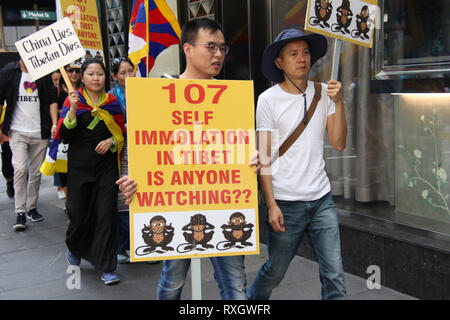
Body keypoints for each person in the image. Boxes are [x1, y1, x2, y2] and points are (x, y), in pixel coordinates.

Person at [117, 18, 259, 300]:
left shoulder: (231, 99)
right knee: (172, 284)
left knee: (236, 288)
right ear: (188, 49)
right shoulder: (158, 94)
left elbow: (239, 146)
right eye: (210, 47)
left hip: (225, 205)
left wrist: (252, 158)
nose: (218, 54)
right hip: (173, 206)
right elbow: (147, 147)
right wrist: (133, 180)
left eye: (222, 48)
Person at [246, 28, 347, 300]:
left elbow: (338, 143)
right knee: (275, 271)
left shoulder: (325, 93)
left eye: (304, 52)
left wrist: (339, 102)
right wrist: (272, 205)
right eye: (293, 54)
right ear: (279, 63)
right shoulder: (267, 100)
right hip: (286, 202)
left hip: (321, 199)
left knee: (334, 274)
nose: (301, 58)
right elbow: (264, 158)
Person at [59, 58, 125, 285]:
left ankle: (107, 267)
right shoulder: (73, 101)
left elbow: (121, 133)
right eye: (91, 74)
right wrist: (73, 110)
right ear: (83, 78)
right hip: (79, 167)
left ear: (106, 77)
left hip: (106, 168)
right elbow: (64, 136)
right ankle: (75, 247)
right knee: (78, 213)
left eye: (100, 74)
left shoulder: (113, 102)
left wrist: (111, 141)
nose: (96, 78)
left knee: (106, 214)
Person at [0, 57, 57, 231]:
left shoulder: (44, 73)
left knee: (36, 172)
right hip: (17, 131)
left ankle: (32, 207)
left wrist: (54, 124)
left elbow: (52, 101)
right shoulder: (9, 72)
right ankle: (20, 212)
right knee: (20, 169)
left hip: (39, 132)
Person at [108, 56, 136, 264]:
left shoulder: (145, 92)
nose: (128, 76)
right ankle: (120, 246)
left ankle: (142, 244)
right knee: (123, 198)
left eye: (131, 71)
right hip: (120, 150)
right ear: (115, 76)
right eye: (123, 72)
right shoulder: (110, 98)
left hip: (142, 146)